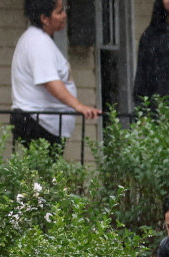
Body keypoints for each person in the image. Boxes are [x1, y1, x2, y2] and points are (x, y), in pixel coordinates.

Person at [11, 0, 101, 150]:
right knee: (44, 172)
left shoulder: (36, 39)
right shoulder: (39, 42)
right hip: (39, 125)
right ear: (44, 18)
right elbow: (50, 82)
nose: (65, 15)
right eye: (59, 12)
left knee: (42, 172)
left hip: (39, 123)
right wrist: (79, 106)